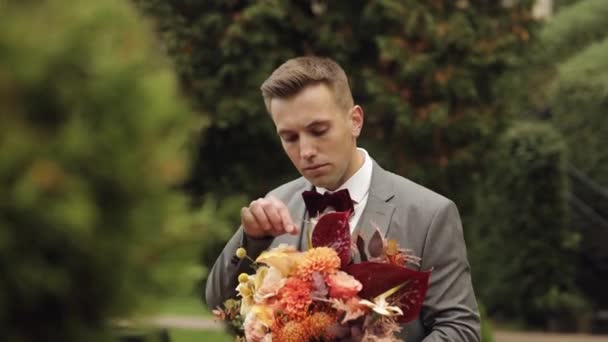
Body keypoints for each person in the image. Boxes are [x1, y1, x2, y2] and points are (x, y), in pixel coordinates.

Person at [205, 56, 480, 342]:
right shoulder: (277, 203)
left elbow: (460, 330)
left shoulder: (429, 214)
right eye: (290, 137)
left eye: (318, 131)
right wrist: (250, 238)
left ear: (355, 121)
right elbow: (217, 303)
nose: (306, 150)